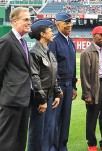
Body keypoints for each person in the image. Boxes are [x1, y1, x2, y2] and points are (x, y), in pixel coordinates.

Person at [27, 19, 63, 151]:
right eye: (50, 30)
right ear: (42, 34)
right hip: (40, 100)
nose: (52, 32)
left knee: (47, 132)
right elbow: (34, 78)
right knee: (36, 134)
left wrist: (57, 94)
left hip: (49, 97)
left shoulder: (49, 52)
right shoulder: (34, 52)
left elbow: (53, 75)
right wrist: (42, 100)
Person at [0, 7, 32, 151]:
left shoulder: (23, 42)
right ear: (14, 21)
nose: (29, 22)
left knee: (20, 140)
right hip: (11, 100)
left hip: (24, 99)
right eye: (26, 19)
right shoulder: (7, 41)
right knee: (6, 142)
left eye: (30, 19)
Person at [80, 26, 102, 151]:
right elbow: (84, 76)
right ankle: (92, 144)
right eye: (101, 35)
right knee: (92, 117)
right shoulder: (86, 52)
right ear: (94, 36)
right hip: (95, 87)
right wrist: (87, 94)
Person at [49, 12, 77, 151]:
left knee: (65, 120)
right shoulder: (53, 41)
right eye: (66, 23)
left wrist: (74, 86)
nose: (69, 25)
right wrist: (56, 90)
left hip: (68, 86)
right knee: (54, 121)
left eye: (70, 22)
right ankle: (53, 147)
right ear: (57, 24)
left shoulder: (70, 41)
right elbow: (52, 68)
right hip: (58, 87)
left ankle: (62, 146)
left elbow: (73, 65)